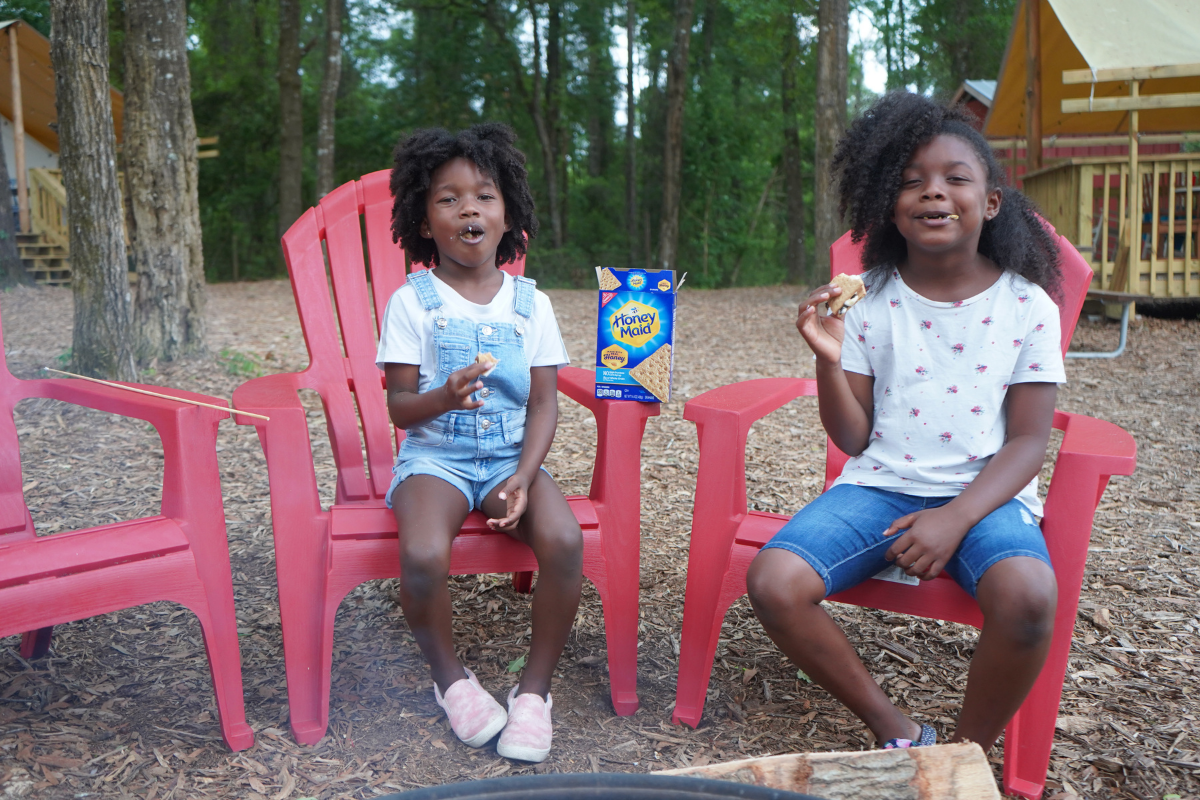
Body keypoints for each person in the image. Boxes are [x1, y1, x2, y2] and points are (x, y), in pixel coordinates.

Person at [746, 93, 1065, 752]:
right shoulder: (865, 300)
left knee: (1030, 598)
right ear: (889, 205)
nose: (932, 193)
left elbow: (1031, 440)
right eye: (912, 182)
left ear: (993, 201)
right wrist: (829, 362)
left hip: (984, 493)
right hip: (881, 486)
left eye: (954, 178)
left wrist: (955, 516)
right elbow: (853, 439)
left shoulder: (1028, 305)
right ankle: (900, 733)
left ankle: (961, 758)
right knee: (775, 582)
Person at [377, 124, 580, 763]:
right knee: (424, 553)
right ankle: (451, 681)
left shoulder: (531, 304)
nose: (469, 208)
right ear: (423, 220)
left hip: (507, 459)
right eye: (448, 198)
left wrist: (524, 474)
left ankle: (533, 694)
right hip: (434, 456)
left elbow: (544, 401)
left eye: (484, 195)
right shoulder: (413, 303)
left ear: (508, 213)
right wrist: (446, 394)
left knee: (565, 540)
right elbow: (401, 408)